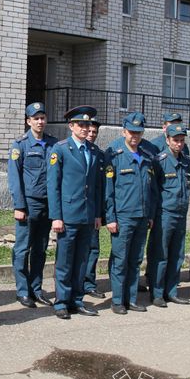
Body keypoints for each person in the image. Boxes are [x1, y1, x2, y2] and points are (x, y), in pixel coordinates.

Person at [46, 106, 102, 319]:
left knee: (81, 260)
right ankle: (61, 301)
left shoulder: (94, 151)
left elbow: (96, 186)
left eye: (88, 124)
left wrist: (97, 214)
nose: (86, 128)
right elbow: (54, 186)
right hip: (67, 215)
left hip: (87, 215)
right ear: (71, 126)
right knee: (65, 260)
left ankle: (77, 300)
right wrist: (56, 216)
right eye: (81, 124)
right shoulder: (60, 149)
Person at [105, 112, 157, 315]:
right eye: (131, 132)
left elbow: (150, 190)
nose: (135, 136)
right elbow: (108, 190)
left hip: (142, 216)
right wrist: (111, 217)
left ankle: (131, 298)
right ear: (124, 131)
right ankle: (117, 300)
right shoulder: (115, 155)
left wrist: (150, 215)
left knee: (135, 259)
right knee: (120, 259)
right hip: (123, 217)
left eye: (139, 132)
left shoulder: (146, 155)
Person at [8, 102, 57, 308]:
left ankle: (36, 289)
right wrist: (19, 206)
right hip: (28, 205)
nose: (40, 121)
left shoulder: (54, 144)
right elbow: (14, 178)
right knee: (22, 249)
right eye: (36, 118)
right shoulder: (20, 145)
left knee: (40, 249)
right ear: (28, 121)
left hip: (47, 205)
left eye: (43, 117)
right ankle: (22, 291)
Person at [147, 123, 190, 306]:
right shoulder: (159, 161)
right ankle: (157, 292)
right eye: (176, 140)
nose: (179, 144)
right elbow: (153, 190)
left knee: (177, 254)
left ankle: (171, 291)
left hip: (181, 214)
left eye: (182, 140)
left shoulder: (186, 161)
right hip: (164, 214)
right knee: (161, 254)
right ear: (167, 140)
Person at [82, 120, 106, 299]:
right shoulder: (66, 150)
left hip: (92, 210)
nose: (91, 134)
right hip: (74, 211)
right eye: (89, 131)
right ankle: (75, 282)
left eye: (94, 132)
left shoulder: (98, 154)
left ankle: (89, 283)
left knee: (93, 248)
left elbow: (99, 187)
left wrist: (99, 214)